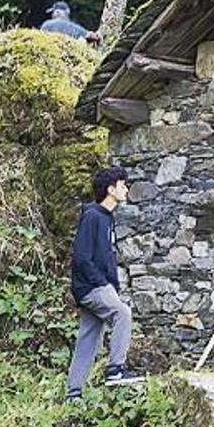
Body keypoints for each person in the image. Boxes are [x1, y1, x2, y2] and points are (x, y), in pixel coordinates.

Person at [66, 167, 143, 401]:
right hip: (91, 286)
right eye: (122, 185)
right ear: (110, 190)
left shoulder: (107, 217)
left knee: (88, 337)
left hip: (98, 285)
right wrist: (102, 284)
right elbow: (81, 257)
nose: (126, 189)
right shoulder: (93, 216)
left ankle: (74, 393)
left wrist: (113, 285)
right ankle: (115, 370)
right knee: (123, 313)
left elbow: (107, 257)